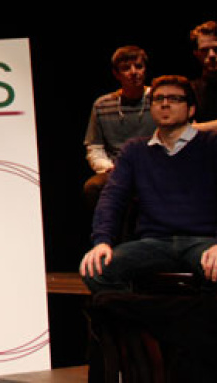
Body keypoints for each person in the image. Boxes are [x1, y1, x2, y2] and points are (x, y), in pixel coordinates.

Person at [79, 75, 217, 294]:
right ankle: (145, 315)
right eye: (158, 99)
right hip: (154, 243)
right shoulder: (135, 150)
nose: (165, 104)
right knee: (96, 270)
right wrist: (102, 241)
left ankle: (193, 317)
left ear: (191, 109)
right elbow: (112, 198)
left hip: (203, 242)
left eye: (174, 99)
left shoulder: (210, 145)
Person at [81, 45, 156, 210]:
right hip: (118, 169)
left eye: (139, 66)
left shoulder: (158, 99)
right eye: (126, 68)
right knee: (93, 187)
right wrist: (108, 167)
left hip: (154, 166)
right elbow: (94, 146)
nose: (133, 72)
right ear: (116, 74)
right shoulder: (102, 104)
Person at [190, 21, 217, 123]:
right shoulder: (191, 90)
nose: (212, 55)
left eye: (216, 49)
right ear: (196, 53)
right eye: (204, 50)